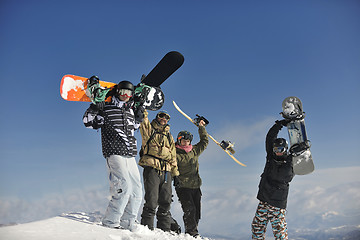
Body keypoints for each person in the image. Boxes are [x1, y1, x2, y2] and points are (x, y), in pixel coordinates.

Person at [82, 76, 144, 230]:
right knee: (123, 186)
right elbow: (88, 123)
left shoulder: (130, 111)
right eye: (122, 91)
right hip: (114, 150)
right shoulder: (107, 108)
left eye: (129, 93)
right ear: (117, 91)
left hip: (130, 152)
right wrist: (96, 108)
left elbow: (135, 127)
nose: (125, 95)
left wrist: (139, 115)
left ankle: (128, 221)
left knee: (137, 190)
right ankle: (111, 221)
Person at [251, 119, 294, 239]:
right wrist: (278, 125)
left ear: (285, 149)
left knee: (279, 232)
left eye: (280, 150)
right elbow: (269, 138)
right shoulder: (271, 157)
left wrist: (295, 155)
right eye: (275, 150)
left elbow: (283, 176)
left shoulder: (290, 162)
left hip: (277, 204)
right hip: (264, 200)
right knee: (257, 227)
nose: (277, 153)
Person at [138, 110, 179, 232]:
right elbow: (144, 123)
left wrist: (175, 174)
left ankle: (164, 231)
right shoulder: (150, 130)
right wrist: (143, 111)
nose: (164, 119)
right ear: (157, 117)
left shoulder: (169, 136)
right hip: (152, 168)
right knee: (151, 200)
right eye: (162, 116)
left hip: (167, 171)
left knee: (166, 202)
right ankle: (146, 230)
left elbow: (173, 156)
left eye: (167, 118)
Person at [175, 120, 209, 237]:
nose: (186, 143)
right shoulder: (175, 153)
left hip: (196, 186)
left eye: (188, 141)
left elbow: (204, 142)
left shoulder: (194, 150)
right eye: (184, 141)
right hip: (183, 186)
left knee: (197, 213)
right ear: (179, 140)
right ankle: (192, 233)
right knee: (189, 210)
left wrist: (201, 128)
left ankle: (192, 232)